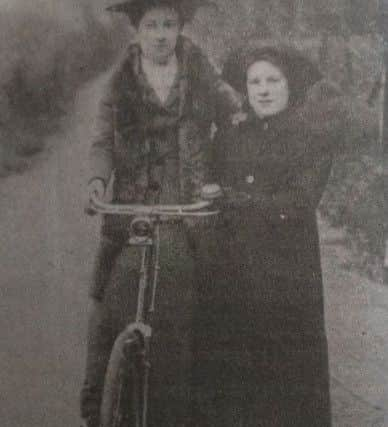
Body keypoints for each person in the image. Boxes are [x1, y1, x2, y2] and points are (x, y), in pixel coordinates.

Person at [80, 1, 241, 427]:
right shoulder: (120, 81)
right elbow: (101, 140)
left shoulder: (200, 69)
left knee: (197, 303)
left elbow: (234, 116)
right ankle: (98, 402)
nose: (160, 34)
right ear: (137, 30)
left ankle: (195, 410)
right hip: (132, 203)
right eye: (151, 25)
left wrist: (224, 174)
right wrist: (97, 183)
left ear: (181, 28)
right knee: (107, 301)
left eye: (169, 24)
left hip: (187, 204)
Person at [191, 44, 348, 427]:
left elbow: (298, 202)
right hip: (230, 271)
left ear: (290, 85)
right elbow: (206, 183)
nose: (263, 90)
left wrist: (232, 199)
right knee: (229, 376)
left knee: (285, 381)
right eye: (254, 81)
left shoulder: (311, 138)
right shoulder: (230, 136)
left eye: (273, 80)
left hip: (285, 277)